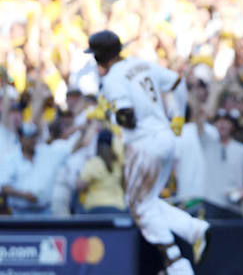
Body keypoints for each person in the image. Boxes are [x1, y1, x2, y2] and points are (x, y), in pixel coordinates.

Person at [84, 30, 210, 275]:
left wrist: (107, 115)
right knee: (147, 202)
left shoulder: (112, 79)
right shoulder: (141, 64)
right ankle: (194, 230)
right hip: (165, 136)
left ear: (100, 57)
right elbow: (177, 81)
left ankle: (176, 264)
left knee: (138, 206)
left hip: (143, 144)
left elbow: (127, 118)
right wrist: (179, 116)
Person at [76, 129, 127, 214]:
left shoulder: (94, 162)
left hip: (95, 207)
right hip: (117, 207)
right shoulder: (118, 164)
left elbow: (80, 185)